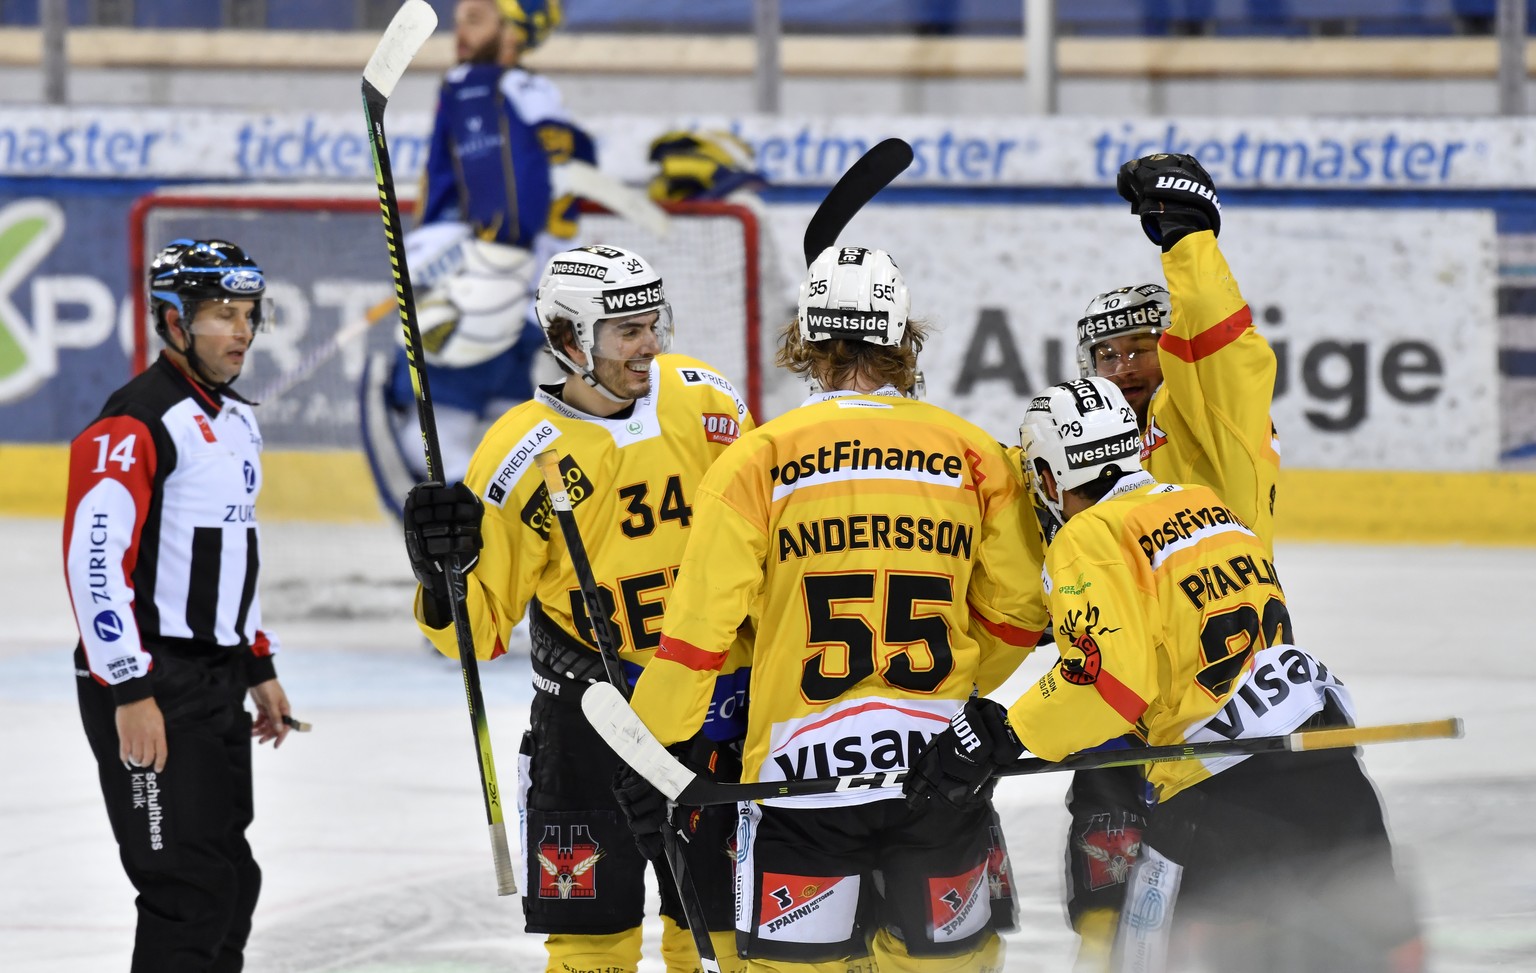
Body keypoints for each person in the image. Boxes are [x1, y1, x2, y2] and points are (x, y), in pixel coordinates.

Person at [623, 244, 1048, 972]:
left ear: (807, 341)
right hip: (940, 775)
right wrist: (950, 696)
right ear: (903, 339)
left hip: (800, 783)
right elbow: (1016, 616)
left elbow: (697, 641)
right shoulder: (976, 455)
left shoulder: (754, 461)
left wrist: (650, 753)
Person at [907, 376, 1422, 971]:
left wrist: (1003, 733)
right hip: (1337, 779)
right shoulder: (1207, 505)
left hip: (1224, 804)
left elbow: (1109, 683)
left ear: (1049, 478)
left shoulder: (1091, 535)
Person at [402, 244, 754, 973]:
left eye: (652, 323)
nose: (649, 344)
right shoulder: (515, 456)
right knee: (591, 948)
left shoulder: (708, 402)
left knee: (720, 937)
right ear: (568, 339)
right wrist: (441, 578)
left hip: (717, 705)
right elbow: (473, 634)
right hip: (591, 723)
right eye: (627, 329)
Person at [1048, 152, 1284, 969]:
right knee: (1105, 908)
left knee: (1226, 918)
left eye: (1140, 348)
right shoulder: (1085, 456)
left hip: (1216, 712)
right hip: (1119, 705)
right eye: (1103, 355)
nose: (1122, 368)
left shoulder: (1212, 428)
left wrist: (1189, 246)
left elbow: (1221, 355)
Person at [64, 239, 297, 972]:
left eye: (250, 314)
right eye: (222, 314)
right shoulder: (136, 421)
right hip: (151, 678)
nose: (242, 331)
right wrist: (128, 689)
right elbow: (92, 562)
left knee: (232, 877)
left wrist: (256, 662)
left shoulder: (231, 418)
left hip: (216, 678)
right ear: (172, 321)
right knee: (188, 888)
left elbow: (231, 556)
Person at [362, 0, 596, 515]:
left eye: (477, 18)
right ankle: (526, 554)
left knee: (431, 431)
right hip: (532, 300)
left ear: (512, 29)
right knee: (505, 428)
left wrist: (468, 267)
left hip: (481, 289)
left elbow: (502, 205)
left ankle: (481, 546)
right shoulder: (545, 97)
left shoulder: (473, 83)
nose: (459, 31)